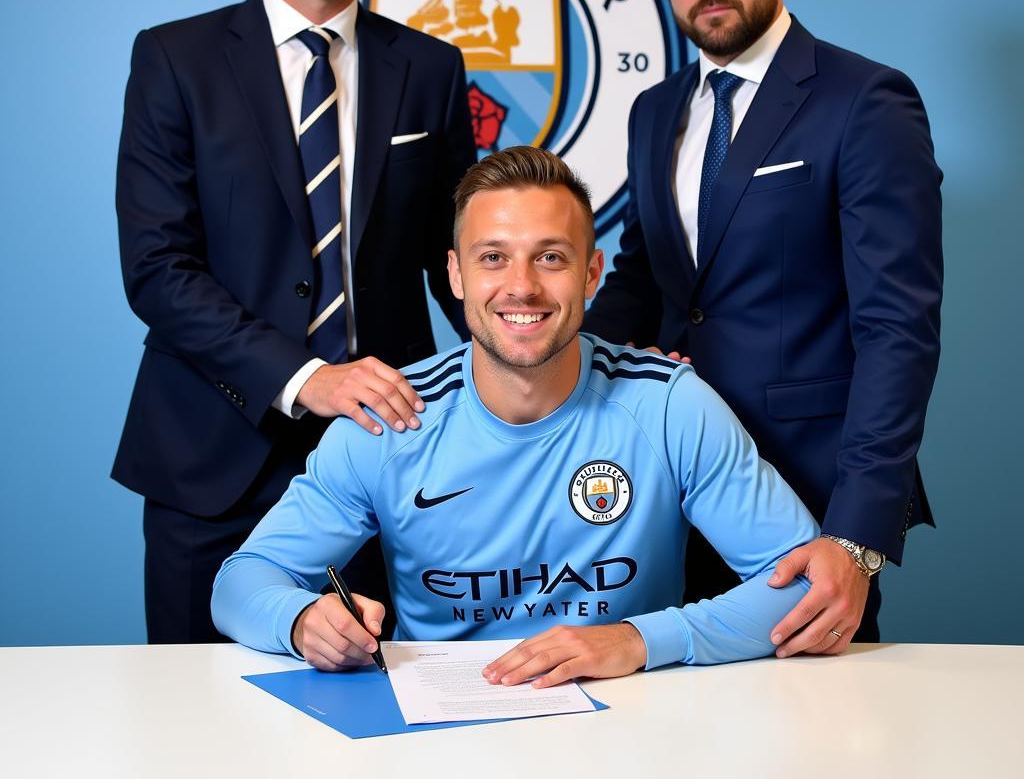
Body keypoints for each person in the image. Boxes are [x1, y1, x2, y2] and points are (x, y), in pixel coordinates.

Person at [212, 147, 819, 682]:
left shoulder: (669, 405)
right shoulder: (389, 420)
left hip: (633, 725)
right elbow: (241, 582)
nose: (521, 286)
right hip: (443, 737)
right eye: (493, 258)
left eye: (550, 258)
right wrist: (300, 621)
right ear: (455, 274)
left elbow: (803, 583)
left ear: (590, 274)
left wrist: (636, 641)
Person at [114, 0, 477, 643]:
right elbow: (158, 269)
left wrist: (531, 384)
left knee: (379, 725)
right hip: (210, 455)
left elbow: (454, 263)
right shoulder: (176, 60)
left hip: (385, 457)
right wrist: (306, 375)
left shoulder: (429, 69)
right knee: (197, 726)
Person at [584, 0, 942, 656]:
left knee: (810, 741)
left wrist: (857, 536)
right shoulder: (655, 110)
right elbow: (646, 279)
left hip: (807, 501)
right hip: (668, 486)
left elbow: (898, 330)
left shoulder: (865, 100)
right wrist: (554, 371)